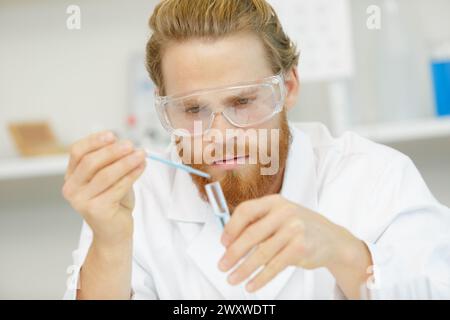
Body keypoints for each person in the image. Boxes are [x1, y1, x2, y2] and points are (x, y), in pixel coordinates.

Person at [62, 0, 450, 299]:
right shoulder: (136, 201)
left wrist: (345, 252)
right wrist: (110, 242)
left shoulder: (375, 179)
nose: (220, 135)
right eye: (193, 109)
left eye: (244, 102)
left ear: (290, 87)